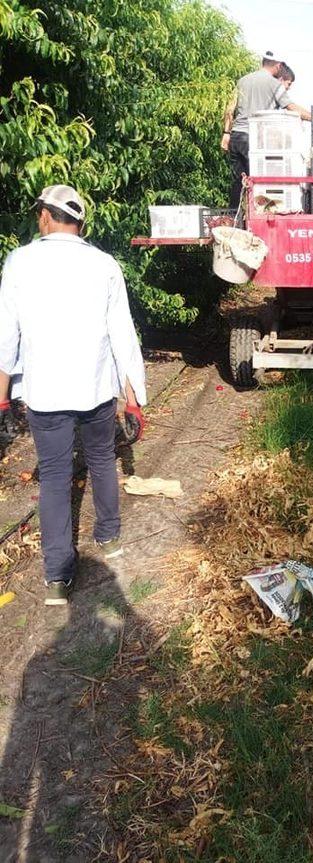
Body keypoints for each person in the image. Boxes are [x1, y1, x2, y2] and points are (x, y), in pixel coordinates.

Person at [0, 184, 147, 606]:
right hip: (97, 388)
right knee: (102, 458)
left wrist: (3, 400)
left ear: (46, 216)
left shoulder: (19, 262)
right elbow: (123, 333)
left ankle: (58, 575)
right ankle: (108, 535)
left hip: (46, 393)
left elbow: (6, 338)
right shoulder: (103, 264)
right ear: (80, 223)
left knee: (54, 474)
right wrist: (133, 398)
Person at [221, 50, 311, 209]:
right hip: (255, 141)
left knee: (238, 182)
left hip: (236, 136)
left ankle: (233, 222)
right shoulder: (274, 84)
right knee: (260, 181)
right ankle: (259, 217)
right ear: (277, 65)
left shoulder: (242, 80)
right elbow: (290, 107)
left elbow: (229, 109)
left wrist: (226, 134)